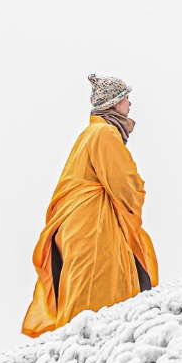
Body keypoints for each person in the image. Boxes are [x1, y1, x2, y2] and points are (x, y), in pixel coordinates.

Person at [22, 74, 159, 337]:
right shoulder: (104, 133)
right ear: (114, 103)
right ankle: (97, 342)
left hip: (76, 225)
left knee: (82, 286)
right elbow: (125, 183)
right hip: (93, 224)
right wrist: (139, 188)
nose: (130, 104)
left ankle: (74, 345)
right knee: (101, 284)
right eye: (126, 98)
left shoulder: (89, 134)